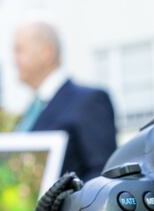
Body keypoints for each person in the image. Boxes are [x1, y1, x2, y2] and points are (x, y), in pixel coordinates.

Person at [12, 21, 117, 180]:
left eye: (19, 50)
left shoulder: (89, 101)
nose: (14, 60)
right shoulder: (31, 111)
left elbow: (103, 173)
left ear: (46, 52)